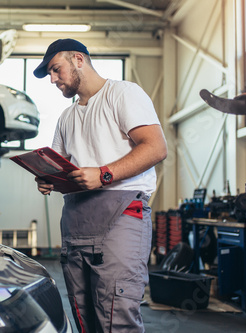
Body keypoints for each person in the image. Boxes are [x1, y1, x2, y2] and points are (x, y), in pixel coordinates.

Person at [33, 39, 167, 333]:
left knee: (116, 315)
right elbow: (65, 168)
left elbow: (156, 148)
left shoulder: (123, 94)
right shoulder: (66, 116)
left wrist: (104, 174)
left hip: (121, 214)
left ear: (78, 60)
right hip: (76, 219)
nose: (53, 79)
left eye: (56, 70)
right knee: (84, 315)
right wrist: (48, 179)